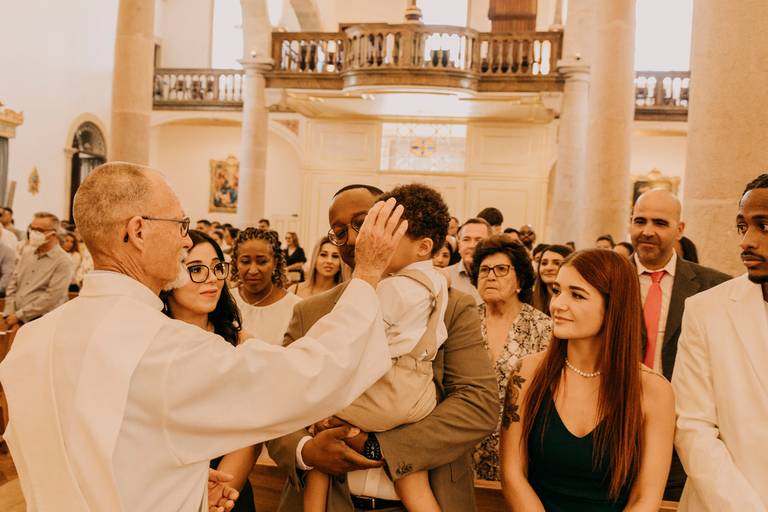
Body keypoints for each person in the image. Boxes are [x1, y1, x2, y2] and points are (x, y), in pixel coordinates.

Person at [0, 162, 407, 511]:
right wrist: (367, 275)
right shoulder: (164, 346)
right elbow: (309, 376)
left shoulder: (31, 341)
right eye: (180, 224)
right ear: (138, 231)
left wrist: (181, 482)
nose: (185, 239)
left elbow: (89, 455)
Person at [266, 184, 499, 512]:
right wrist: (306, 449)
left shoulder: (451, 305)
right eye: (338, 232)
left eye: (363, 224)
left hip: (421, 491)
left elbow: (477, 404)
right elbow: (278, 399)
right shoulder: (311, 311)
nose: (354, 239)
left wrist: (379, 446)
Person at [303, 183, 450, 512]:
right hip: (418, 393)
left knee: (320, 419)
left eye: (365, 224)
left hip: (388, 393)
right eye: (338, 232)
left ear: (422, 246)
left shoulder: (391, 290)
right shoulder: (438, 283)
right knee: (412, 481)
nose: (361, 239)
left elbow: (353, 339)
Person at [500, 249, 676, 511]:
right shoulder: (526, 372)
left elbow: (645, 497)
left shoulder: (654, 390)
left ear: (613, 306)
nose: (558, 304)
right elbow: (512, 473)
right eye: (558, 291)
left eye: (577, 295)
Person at [672, 174, 768, 511]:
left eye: (765, 226)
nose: (747, 242)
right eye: (743, 227)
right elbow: (692, 427)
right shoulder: (707, 310)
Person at [630, 189, 729, 500]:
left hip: (681, 437)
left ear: (680, 229)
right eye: (640, 221)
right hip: (614, 429)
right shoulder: (605, 278)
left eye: (660, 223)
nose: (647, 231)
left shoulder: (714, 286)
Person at [161, 229, 257, 512]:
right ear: (169, 278)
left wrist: (218, 494)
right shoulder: (152, 342)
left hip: (227, 486)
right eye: (195, 269)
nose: (212, 278)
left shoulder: (239, 342)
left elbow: (253, 430)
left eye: (217, 267)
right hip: (164, 485)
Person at [470, 236, 552, 482]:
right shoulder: (464, 322)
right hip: (466, 447)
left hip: (520, 448)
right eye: (484, 270)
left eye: (501, 269)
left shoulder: (542, 327)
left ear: (520, 280)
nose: (490, 276)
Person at [2, 212, 73, 328]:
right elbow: (13, 283)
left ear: (53, 233)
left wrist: (19, 316)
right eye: (32, 228)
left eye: (39, 230)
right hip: (15, 319)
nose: (33, 233)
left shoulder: (63, 261)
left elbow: (52, 297)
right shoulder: (27, 252)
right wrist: (10, 313)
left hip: (43, 322)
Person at [231, 228, 302, 345]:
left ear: (275, 263)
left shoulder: (295, 308)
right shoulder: (226, 300)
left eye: (262, 262)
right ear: (236, 263)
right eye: (245, 261)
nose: (253, 270)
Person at [448, 218, 491, 304]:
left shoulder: (499, 277)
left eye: (478, 240)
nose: (472, 245)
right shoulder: (444, 276)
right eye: (466, 239)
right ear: (459, 244)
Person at [531, 244, 574, 315]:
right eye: (544, 263)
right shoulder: (529, 300)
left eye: (557, 263)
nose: (548, 268)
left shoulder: (577, 302)